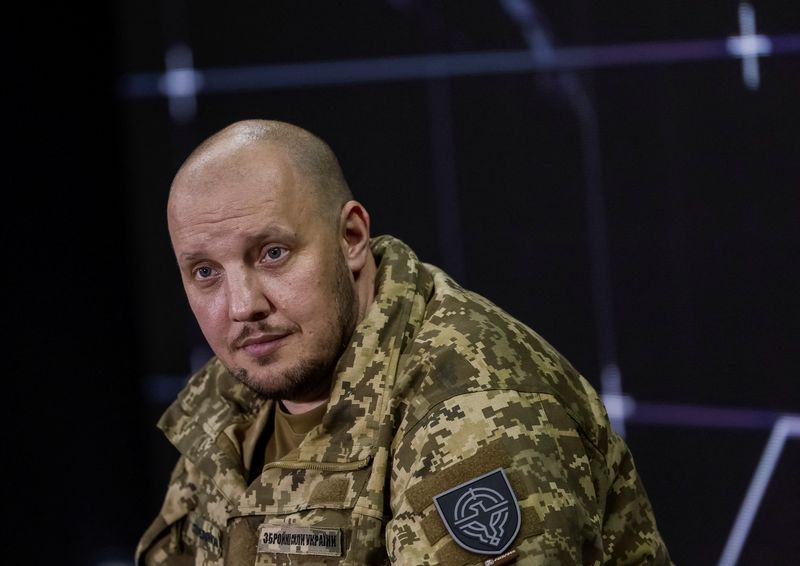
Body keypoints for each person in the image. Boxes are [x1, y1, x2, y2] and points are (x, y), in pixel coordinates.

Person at [136, 119, 673, 565]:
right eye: (205, 271)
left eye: (272, 253)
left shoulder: (473, 414)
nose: (241, 305)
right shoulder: (234, 396)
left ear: (351, 238)